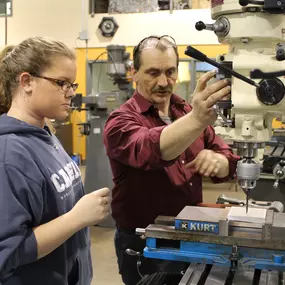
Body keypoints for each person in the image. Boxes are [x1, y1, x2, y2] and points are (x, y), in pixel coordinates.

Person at [103, 35, 240, 285]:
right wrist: (197, 120)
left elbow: (229, 159)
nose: (164, 82)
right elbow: (152, 149)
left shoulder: (185, 111)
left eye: (170, 71)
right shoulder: (120, 121)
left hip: (191, 235)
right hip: (145, 243)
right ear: (134, 72)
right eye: (153, 72)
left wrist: (218, 162)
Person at [0, 37, 111, 285]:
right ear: (26, 82)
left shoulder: (45, 134)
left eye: (72, 84)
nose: (71, 92)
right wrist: (77, 218)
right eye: (61, 83)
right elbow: (7, 253)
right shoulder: (8, 156)